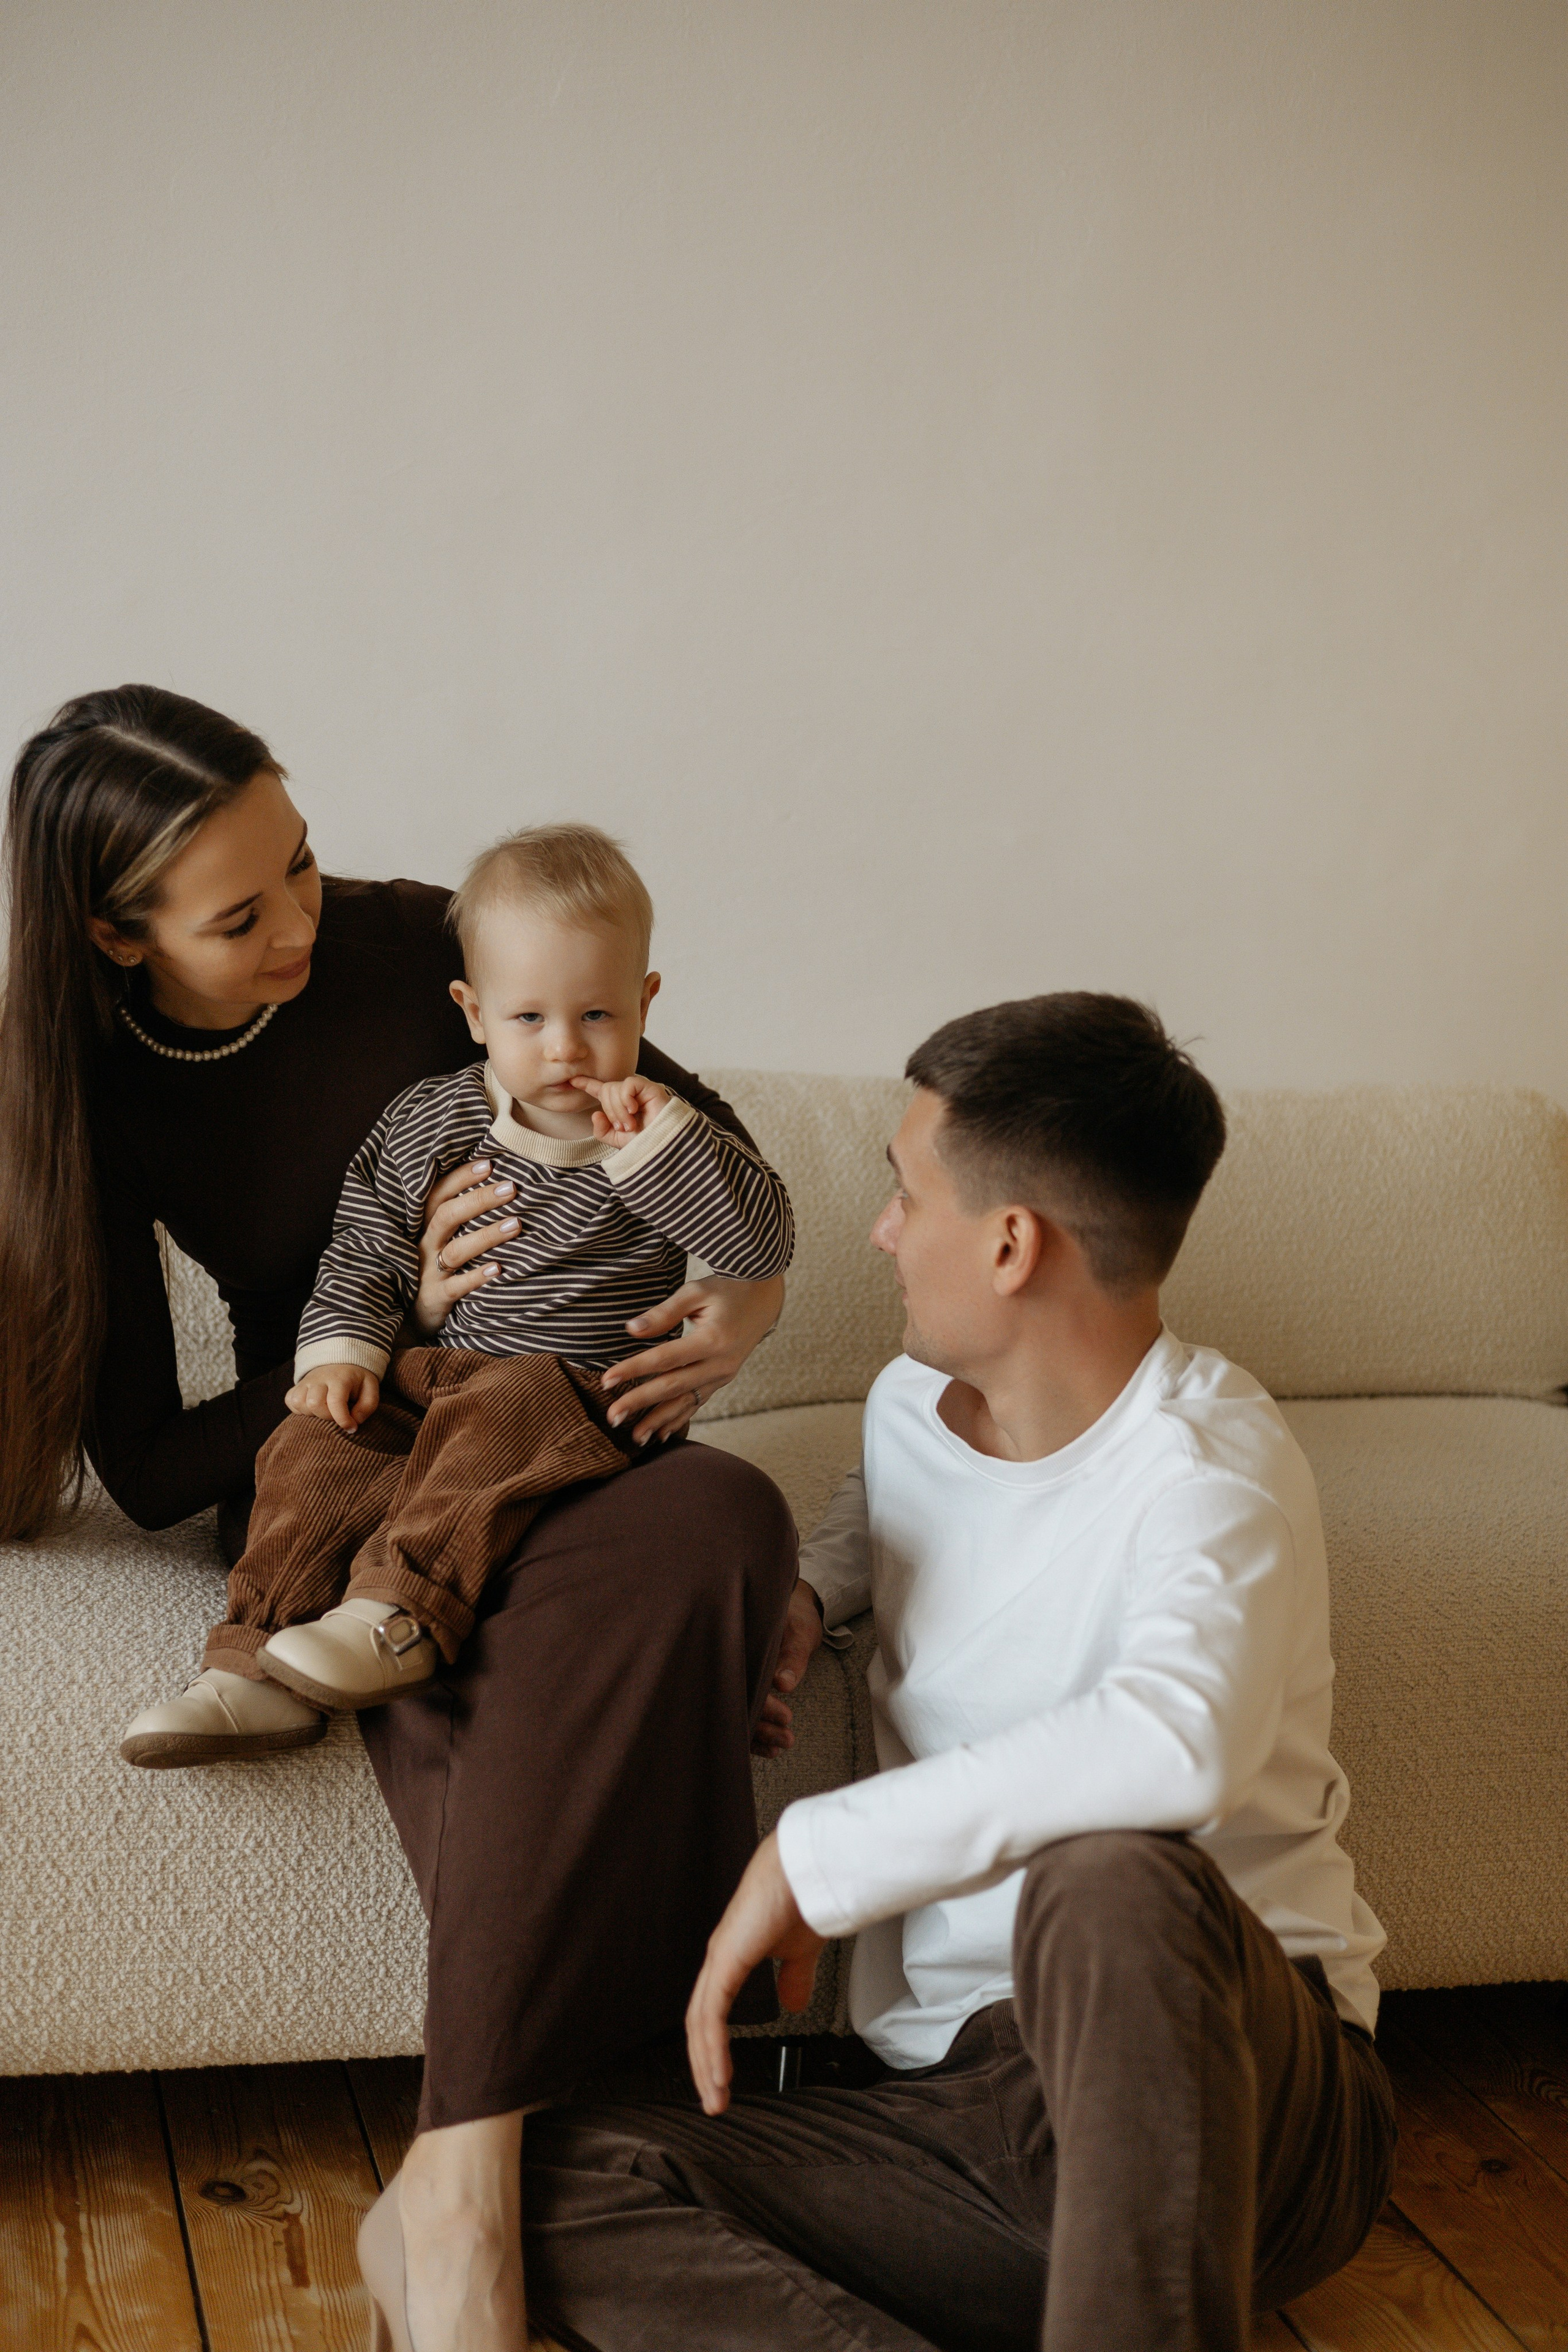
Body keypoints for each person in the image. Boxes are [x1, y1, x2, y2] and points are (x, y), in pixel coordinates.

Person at [0, 685, 812, 2352]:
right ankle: (520, 2177)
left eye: (300, 863)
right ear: (113, 932)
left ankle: (467, 2181)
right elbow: (150, 1462)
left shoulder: (422, 948)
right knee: (436, 1629)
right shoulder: (85, 1087)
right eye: (242, 913)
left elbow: (674, 1125)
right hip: (353, 1438)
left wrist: (758, 1297)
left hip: (547, 1425)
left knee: (724, 1516)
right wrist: (364, 1342)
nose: (309, 918)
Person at [519, 993, 1397, 2352]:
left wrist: (816, 1855)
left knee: (1110, 1876)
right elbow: (900, 1512)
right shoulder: (905, 1407)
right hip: (964, 2114)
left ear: (1006, 1243)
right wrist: (811, 1592)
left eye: (901, 1191)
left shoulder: (1210, 1474)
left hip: (1233, 2094)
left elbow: (1179, 1741)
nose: (879, 1231)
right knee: (525, 2195)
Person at [120, 822, 794, 1752]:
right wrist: (343, 1354)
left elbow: (757, 1241)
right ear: (473, 1013)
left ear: (645, 1004)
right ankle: (251, 1662)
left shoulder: (659, 1139)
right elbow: (365, 1247)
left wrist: (668, 1149)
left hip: (579, 1400)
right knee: (316, 1444)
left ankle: (397, 1612)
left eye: (597, 1016)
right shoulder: (431, 1118)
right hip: (435, 1373)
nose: (566, 1049)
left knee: (506, 1402)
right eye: (529, 1019)